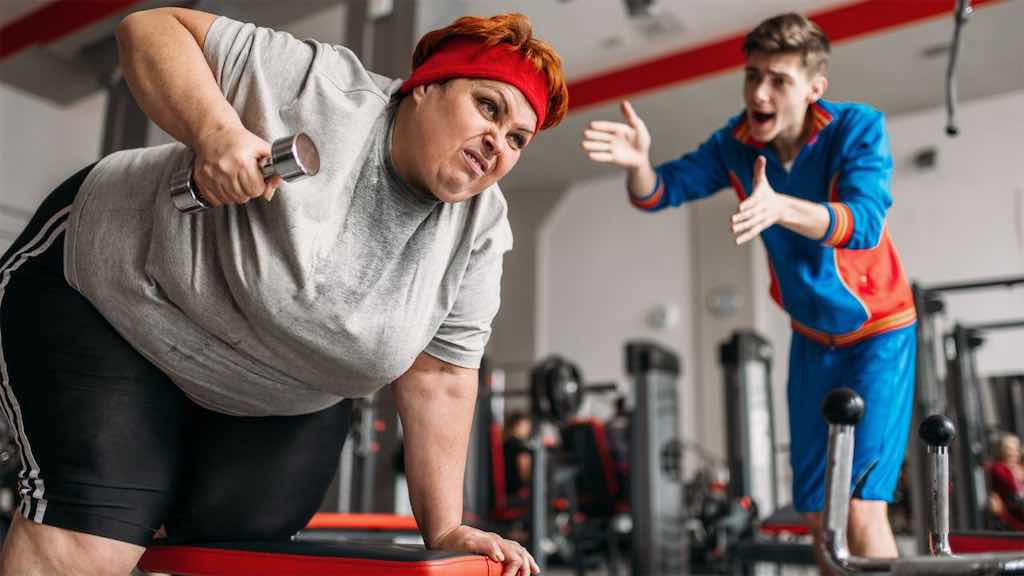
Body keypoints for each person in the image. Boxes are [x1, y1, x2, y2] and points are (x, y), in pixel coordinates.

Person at [0, 7, 567, 576]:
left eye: (518, 138)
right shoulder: (319, 86)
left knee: (235, 552)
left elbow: (440, 376)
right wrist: (215, 132)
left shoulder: (482, 229)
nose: (497, 141)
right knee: (94, 532)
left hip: (277, 392)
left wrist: (445, 527)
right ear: (424, 90)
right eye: (487, 107)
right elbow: (147, 28)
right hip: (113, 299)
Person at [581, 12, 916, 565]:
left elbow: (865, 222)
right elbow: (660, 191)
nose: (759, 92)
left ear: (813, 88)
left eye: (778, 80)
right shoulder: (733, 145)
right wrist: (639, 164)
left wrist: (781, 207)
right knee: (815, 512)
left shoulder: (857, 127)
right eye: (752, 75)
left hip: (879, 331)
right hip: (811, 337)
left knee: (859, 508)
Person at [988, 432, 1024, 530]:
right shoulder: (999, 469)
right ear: (1001, 451)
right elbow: (1012, 488)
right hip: (1010, 522)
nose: (1013, 453)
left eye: (1015, 449)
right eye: (1008, 449)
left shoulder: (1019, 468)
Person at [502, 412, 533, 500]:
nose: (529, 428)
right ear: (516, 425)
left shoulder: (507, 443)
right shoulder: (518, 445)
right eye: (526, 424)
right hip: (516, 492)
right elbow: (524, 468)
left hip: (509, 490)